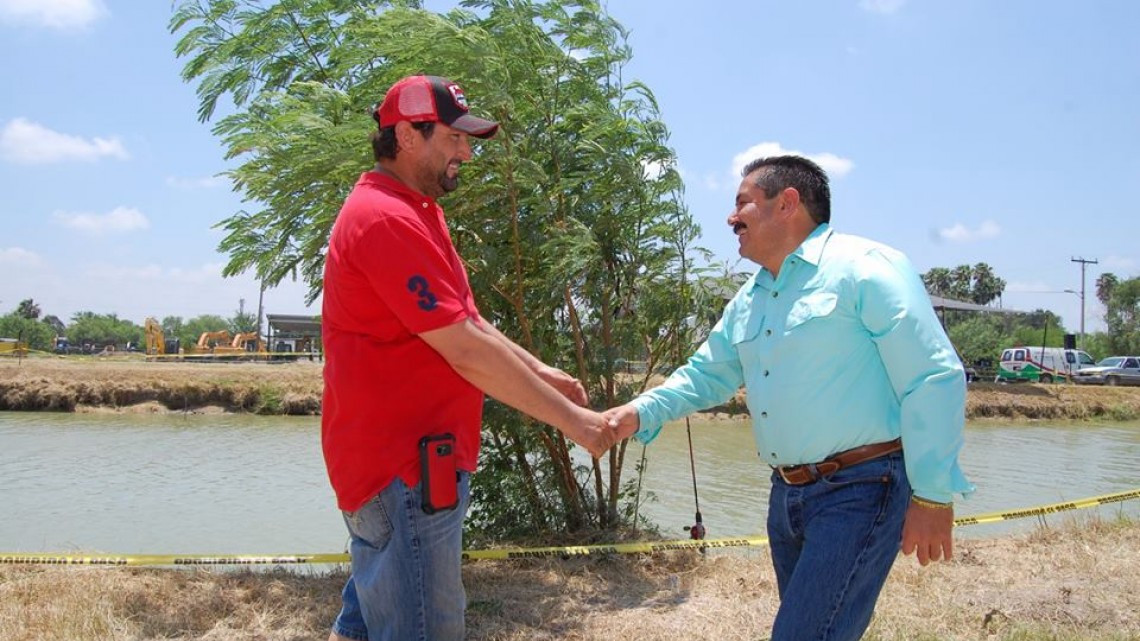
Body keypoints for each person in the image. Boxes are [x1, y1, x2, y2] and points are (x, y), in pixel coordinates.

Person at [605, 155, 974, 641]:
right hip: (787, 495)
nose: (731, 218)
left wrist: (931, 494)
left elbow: (931, 376)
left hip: (861, 487)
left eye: (742, 203)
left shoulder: (864, 268)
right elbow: (705, 375)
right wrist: (634, 414)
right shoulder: (753, 296)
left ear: (788, 204)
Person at [321, 74, 617, 641]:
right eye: (455, 137)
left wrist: (542, 373)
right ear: (408, 135)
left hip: (407, 468)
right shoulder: (386, 219)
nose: (467, 151)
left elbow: (469, 322)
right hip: (402, 473)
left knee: (365, 625)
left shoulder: (416, 212)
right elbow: (462, 349)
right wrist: (575, 422)